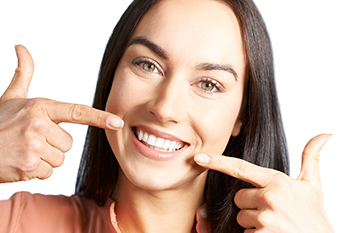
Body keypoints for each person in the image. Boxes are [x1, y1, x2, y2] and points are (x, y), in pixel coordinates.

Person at [0, 0, 334, 232]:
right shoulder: (19, 222)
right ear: (111, 76)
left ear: (241, 119)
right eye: (148, 65)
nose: (164, 108)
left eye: (209, 84)